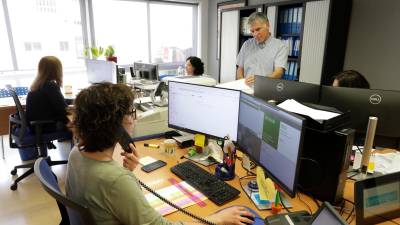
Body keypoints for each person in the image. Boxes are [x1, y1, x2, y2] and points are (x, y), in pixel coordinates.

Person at [66, 82, 254, 225]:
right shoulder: (115, 180)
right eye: (132, 113)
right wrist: (216, 219)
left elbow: (106, 197)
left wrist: (128, 173)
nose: (135, 118)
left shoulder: (76, 153)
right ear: (116, 125)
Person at [236, 12, 288, 86]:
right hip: (246, 90)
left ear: (267, 25)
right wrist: (241, 83)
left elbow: (278, 72)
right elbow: (240, 69)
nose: (255, 34)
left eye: (258, 29)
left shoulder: (280, 46)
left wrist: (260, 81)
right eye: (252, 31)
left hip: (266, 91)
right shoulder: (246, 45)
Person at [26, 56, 69, 133]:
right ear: (55, 70)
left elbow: (55, 103)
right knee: (82, 123)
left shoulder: (38, 84)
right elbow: (63, 110)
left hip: (36, 126)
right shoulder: (50, 86)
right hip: (47, 126)